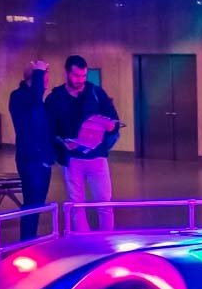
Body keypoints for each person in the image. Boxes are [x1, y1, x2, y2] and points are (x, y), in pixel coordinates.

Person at [46, 54, 121, 231]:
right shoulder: (55, 98)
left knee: (105, 203)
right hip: (72, 158)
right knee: (76, 205)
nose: (80, 80)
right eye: (76, 76)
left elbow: (114, 120)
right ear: (66, 73)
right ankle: (82, 240)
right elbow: (49, 130)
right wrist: (62, 143)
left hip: (97, 156)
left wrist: (111, 126)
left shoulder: (96, 93)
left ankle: (106, 239)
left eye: (83, 76)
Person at [9, 61, 54, 241]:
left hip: (42, 159)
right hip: (30, 159)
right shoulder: (19, 97)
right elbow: (34, 102)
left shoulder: (36, 100)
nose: (46, 82)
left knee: (38, 203)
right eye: (44, 78)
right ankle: (27, 241)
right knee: (32, 203)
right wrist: (39, 72)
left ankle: (30, 239)